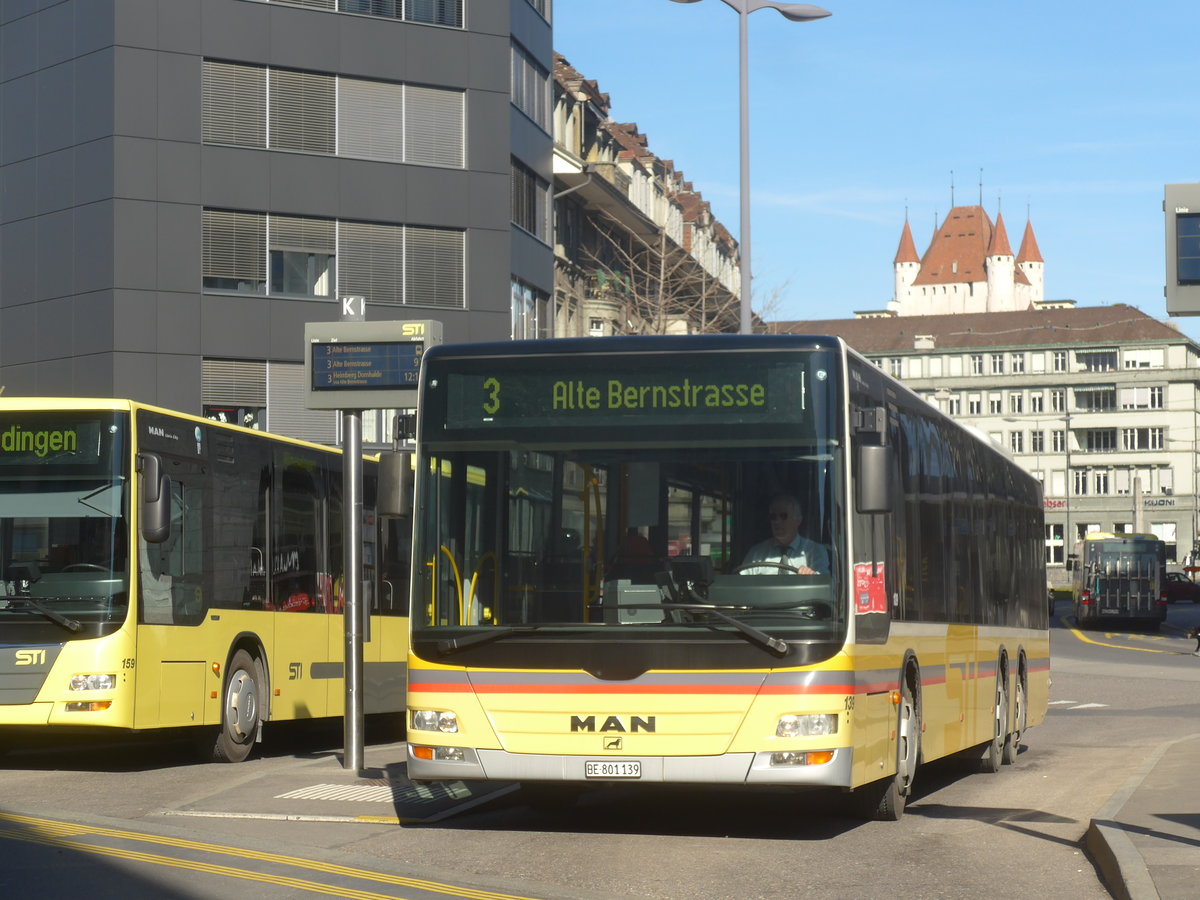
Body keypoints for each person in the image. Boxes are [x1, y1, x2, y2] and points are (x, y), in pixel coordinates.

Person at [741, 493, 829, 575]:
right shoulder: (756, 554)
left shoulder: (815, 552)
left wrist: (812, 578)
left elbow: (825, 584)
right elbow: (742, 586)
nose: (777, 521)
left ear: (798, 520)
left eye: (783, 516)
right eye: (773, 517)